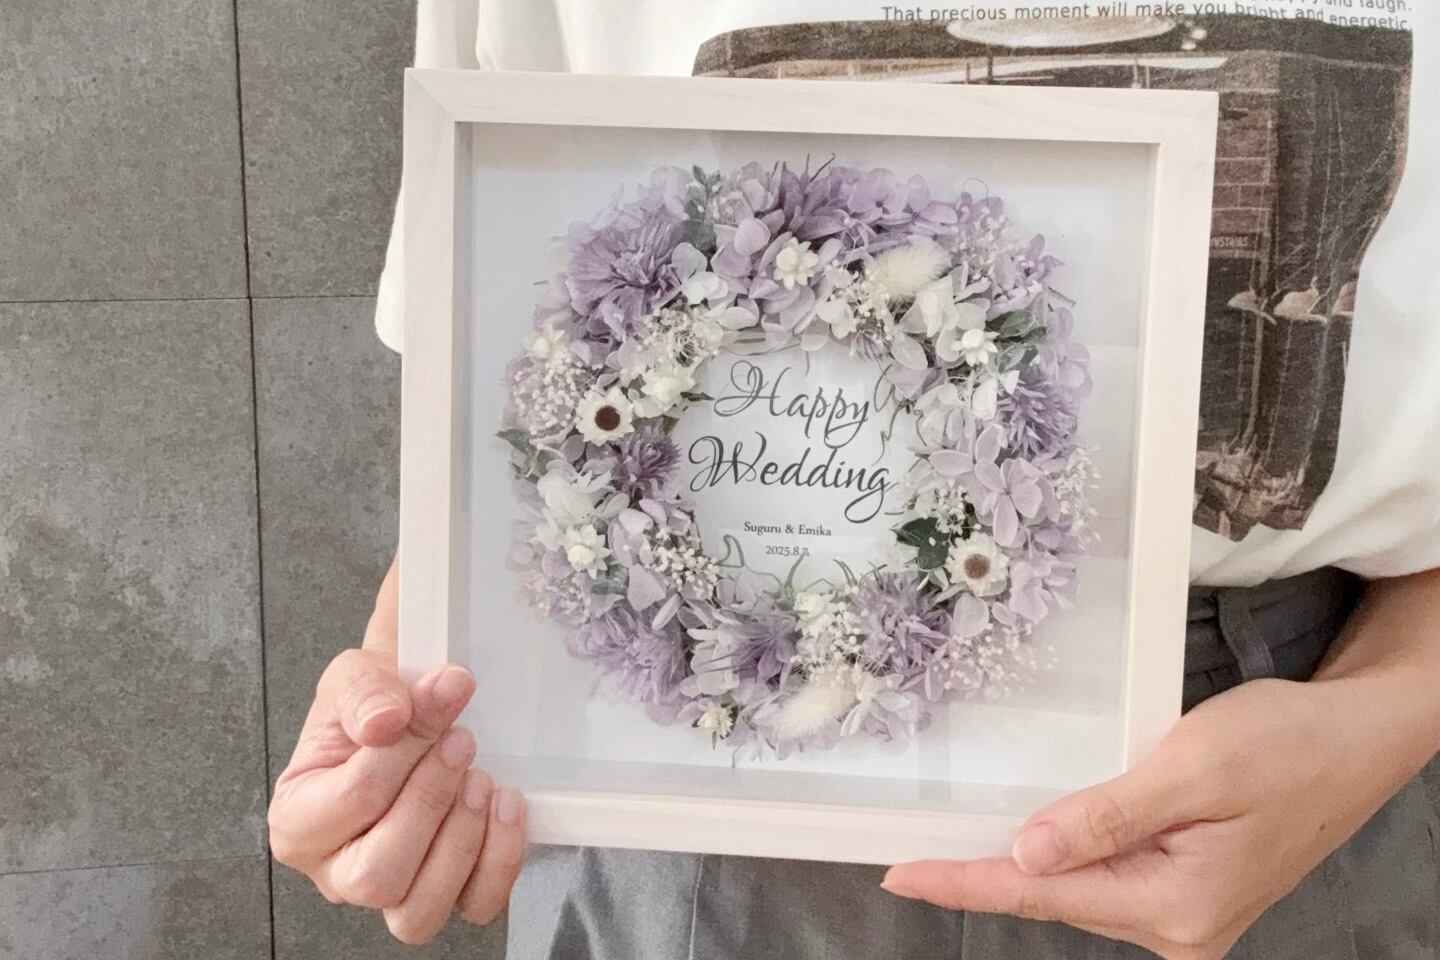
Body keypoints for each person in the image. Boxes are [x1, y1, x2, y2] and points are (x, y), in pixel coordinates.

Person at [268, 3, 1440, 958]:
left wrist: (1381, 720)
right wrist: (403, 712)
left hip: (1282, 772)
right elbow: (522, 381)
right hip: (701, 797)